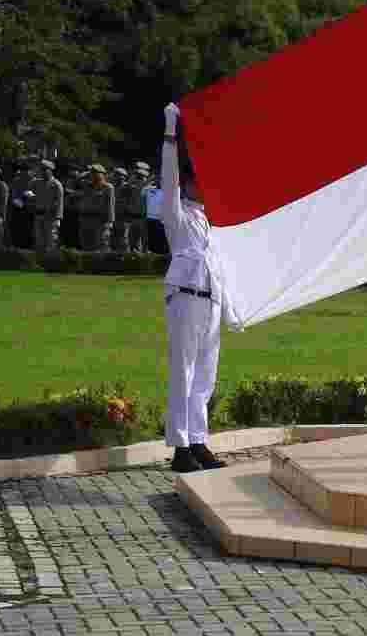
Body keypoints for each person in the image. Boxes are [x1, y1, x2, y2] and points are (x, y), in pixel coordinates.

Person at [160, 103, 228, 474]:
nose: (203, 185)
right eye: (197, 179)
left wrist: (230, 309)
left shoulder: (210, 222)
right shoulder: (176, 213)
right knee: (183, 373)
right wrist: (171, 131)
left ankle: (199, 440)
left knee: (205, 377)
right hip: (185, 298)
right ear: (186, 184)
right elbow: (168, 177)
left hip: (210, 302)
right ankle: (180, 447)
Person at [31, 160, 64, 252]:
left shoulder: (56, 184)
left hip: (50, 217)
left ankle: (51, 259)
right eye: (41, 170)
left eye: (45, 170)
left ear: (50, 171)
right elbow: (29, 192)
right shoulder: (36, 183)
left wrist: (58, 218)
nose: (42, 172)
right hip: (38, 215)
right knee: (38, 241)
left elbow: (60, 202)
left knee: (51, 241)